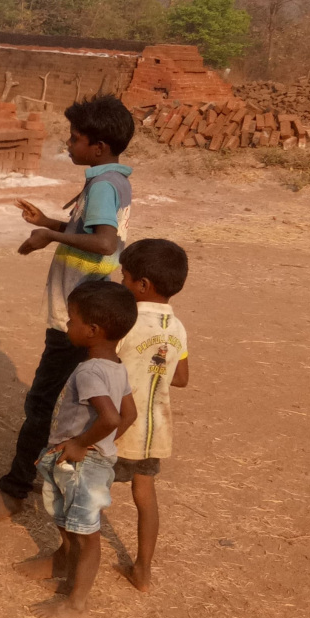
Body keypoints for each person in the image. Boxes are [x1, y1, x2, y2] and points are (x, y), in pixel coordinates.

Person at [0, 94, 135, 520]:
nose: (69, 144)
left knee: (41, 402)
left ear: (98, 146)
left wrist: (51, 237)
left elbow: (105, 242)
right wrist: (48, 222)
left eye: (75, 138)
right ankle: (54, 470)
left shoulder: (102, 185)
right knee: (73, 398)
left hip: (74, 317)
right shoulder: (115, 181)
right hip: (90, 308)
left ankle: (14, 489)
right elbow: (93, 232)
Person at [17, 280, 138, 618]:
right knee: (69, 523)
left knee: (86, 536)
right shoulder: (116, 366)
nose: (68, 325)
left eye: (72, 320)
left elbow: (111, 417)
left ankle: (76, 604)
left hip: (81, 463)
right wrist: (102, 445)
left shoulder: (89, 371)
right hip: (79, 459)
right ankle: (68, 577)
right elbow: (129, 415)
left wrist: (83, 444)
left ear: (92, 330)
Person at [112, 238, 191, 592]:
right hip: (155, 428)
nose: (121, 282)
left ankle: (69, 556)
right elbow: (182, 377)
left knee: (87, 490)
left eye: (125, 277)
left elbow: (104, 363)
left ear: (142, 285)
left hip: (118, 426)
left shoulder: (125, 321)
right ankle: (143, 570)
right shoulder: (178, 328)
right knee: (145, 495)